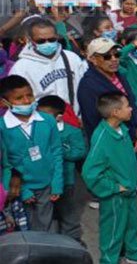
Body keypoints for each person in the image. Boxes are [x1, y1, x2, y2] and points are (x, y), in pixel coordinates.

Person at [82, 92, 137, 264]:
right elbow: (89, 172)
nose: (131, 109)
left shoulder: (122, 129)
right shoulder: (102, 137)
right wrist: (113, 188)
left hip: (129, 190)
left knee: (131, 225)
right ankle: (109, 260)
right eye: (127, 106)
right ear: (115, 112)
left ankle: (134, 254)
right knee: (113, 230)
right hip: (116, 196)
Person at [0, 75, 64, 232]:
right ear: (4, 102)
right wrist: (22, 190)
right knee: (25, 228)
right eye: (19, 98)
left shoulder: (47, 120)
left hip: (47, 184)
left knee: (46, 225)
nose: (27, 101)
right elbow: (6, 164)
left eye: (29, 95)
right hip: (20, 187)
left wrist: (57, 182)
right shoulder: (2, 127)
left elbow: (56, 151)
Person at [36, 95, 87, 243]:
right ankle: (52, 242)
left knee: (68, 213)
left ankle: (73, 240)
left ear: (58, 117)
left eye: (45, 116)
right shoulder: (37, 131)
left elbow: (80, 151)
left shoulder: (72, 131)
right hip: (44, 181)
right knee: (48, 214)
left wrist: (60, 151)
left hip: (66, 180)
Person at [10, 17, 87, 114]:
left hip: (74, 117)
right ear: (31, 40)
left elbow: (84, 89)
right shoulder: (21, 67)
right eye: (41, 41)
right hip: (43, 119)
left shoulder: (72, 58)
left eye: (51, 39)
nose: (47, 43)